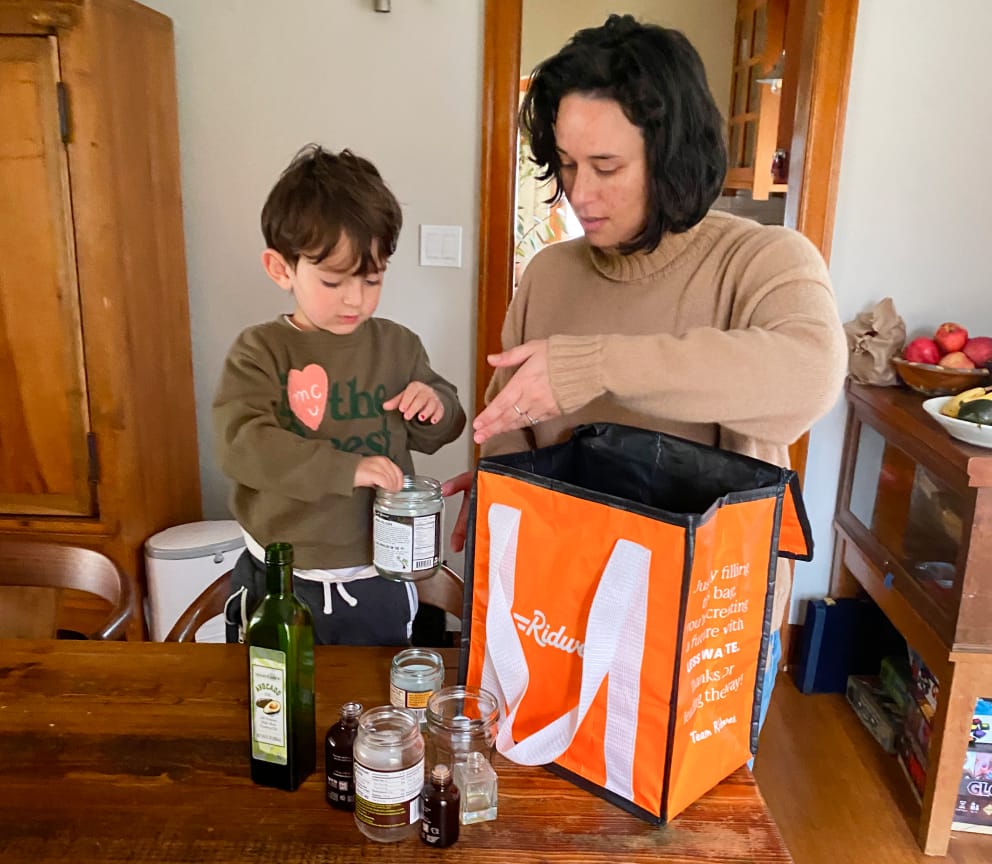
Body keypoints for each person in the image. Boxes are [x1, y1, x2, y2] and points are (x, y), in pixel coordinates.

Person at [443, 15, 847, 734]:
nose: (580, 194)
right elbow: (511, 419)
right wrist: (501, 484)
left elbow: (808, 374)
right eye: (567, 165)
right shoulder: (549, 275)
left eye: (606, 168)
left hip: (703, 632)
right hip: (559, 613)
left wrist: (596, 364)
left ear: (671, 157)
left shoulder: (762, 261)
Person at [214, 145, 466, 646]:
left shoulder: (397, 345)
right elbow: (241, 443)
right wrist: (345, 469)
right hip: (282, 578)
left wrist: (435, 406)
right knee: (279, 689)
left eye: (372, 279)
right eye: (333, 281)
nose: (355, 298)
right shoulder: (261, 350)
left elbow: (441, 429)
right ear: (281, 269)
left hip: (379, 574)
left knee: (376, 689)